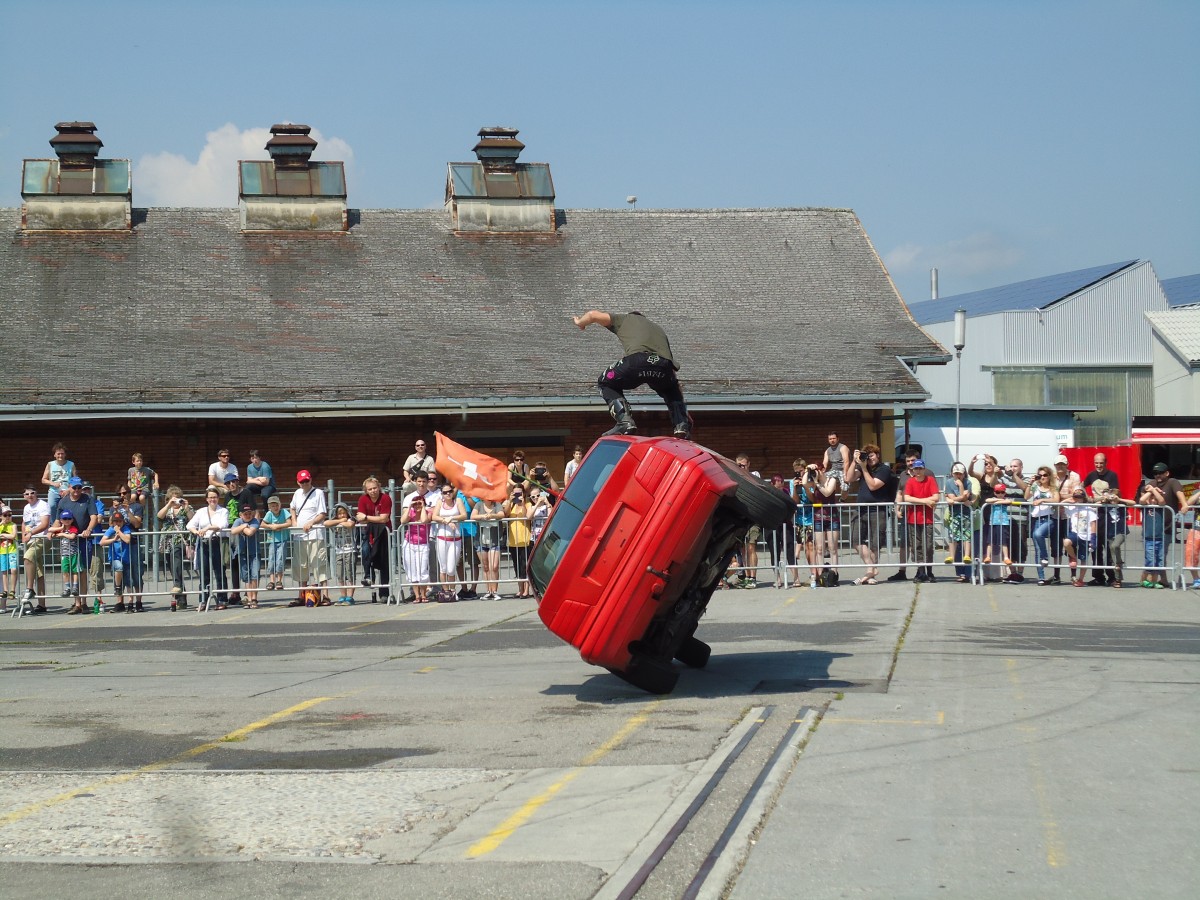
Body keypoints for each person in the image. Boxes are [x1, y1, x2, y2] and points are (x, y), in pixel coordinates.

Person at [572, 309, 691, 439]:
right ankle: (681, 425)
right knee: (670, 388)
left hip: (637, 362)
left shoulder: (625, 319)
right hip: (663, 366)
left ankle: (625, 421)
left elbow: (592, 315)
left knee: (605, 381)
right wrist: (683, 411)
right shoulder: (658, 329)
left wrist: (580, 322)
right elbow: (674, 378)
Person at [845, 443, 894, 586]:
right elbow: (848, 478)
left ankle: (871, 575)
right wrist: (855, 461)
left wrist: (864, 468)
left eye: (871, 455)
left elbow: (873, 485)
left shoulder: (884, 470)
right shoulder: (862, 466)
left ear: (878, 455)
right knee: (855, 540)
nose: (870, 458)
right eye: (867, 455)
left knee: (875, 544)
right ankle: (871, 568)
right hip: (861, 509)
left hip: (878, 510)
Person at [1138, 463, 1185, 589]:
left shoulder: (1173, 482)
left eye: (1160, 473)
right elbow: (1142, 499)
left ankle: (1161, 580)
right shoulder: (1152, 483)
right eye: (1155, 473)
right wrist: (1151, 490)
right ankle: (1148, 579)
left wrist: (1184, 504)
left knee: (1160, 555)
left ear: (1167, 473)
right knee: (1152, 556)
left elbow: (1179, 493)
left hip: (1167, 526)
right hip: (1150, 528)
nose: (1157, 475)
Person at [288, 469, 329, 606]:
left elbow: (322, 513)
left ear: (311, 480)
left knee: (318, 565)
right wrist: (294, 520)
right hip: (300, 535)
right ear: (298, 482)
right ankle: (302, 595)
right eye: (302, 481)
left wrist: (312, 523)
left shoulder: (318, 493)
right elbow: (292, 508)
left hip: (315, 535)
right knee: (301, 566)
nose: (305, 483)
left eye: (307, 481)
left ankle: (325, 596)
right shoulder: (297, 493)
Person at [57, 477, 99, 603]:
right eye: (74, 487)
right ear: (69, 487)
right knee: (70, 570)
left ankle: (84, 602)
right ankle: (77, 603)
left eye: (79, 487)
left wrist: (89, 530)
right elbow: (56, 520)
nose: (76, 490)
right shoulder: (63, 502)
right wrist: (52, 531)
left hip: (83, 540)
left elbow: (94, 517)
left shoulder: (88, 499)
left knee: (82, 571)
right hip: (69, 542)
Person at [188, 487, 229, 610]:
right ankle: (203, 600)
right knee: (204, 572)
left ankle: (222, 600)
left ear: (218, 498)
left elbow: (223, 525)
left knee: (219, 571)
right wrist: (197, 532)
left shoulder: (223, 511)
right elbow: (190, 525)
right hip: (203, 542)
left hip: (217, 542)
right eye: (210, 497)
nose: (213, 499)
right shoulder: (201, 511)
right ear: (207, 499)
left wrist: (207, 528)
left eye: (215, 497)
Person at [1082, 453, 1120, 584]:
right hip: (1095, 514)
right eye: (1096, 463)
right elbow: (1081, 487)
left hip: (1108, 515)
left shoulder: (1112, 475)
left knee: (1109, 546)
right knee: (1095, 546)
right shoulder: (1091, 475)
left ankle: (1112, 577)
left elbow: (1115, 492)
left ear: (1106, 463)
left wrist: (1105, 498)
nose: (1098, 466)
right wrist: (1088, 499)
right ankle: (1098, 576)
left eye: (1101, 463)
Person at [902, 459, 940, 583]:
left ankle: (929, 570)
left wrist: (918, 500)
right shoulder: (910, 481)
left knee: (928, 545)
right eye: (915, 469)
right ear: (912, 470)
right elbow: (906, 497)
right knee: (916, 546)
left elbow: (936, 497)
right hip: (913, 518)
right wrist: (925, 501)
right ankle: (920, 570)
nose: (918, 471)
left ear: (924, 469)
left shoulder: (930, 480)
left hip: (927, 518)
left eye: (920, 468)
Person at [356, 477, 393, 603]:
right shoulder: (363, 499)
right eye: (370, 489)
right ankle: (369, 577)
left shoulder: (385, 498)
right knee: (366, 553)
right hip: (369, 532)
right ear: (366, 490)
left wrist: (367, 517)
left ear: (379, 487)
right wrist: (370, 518)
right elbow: (360, 519)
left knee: (384, 563)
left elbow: (384, 519)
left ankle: (384, 593)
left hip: (384, 532)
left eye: (374, 488)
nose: (373, 491)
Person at [1091, 480, 1134, 589]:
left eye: (1114, 496)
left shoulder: (1121, 506)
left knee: (1115, 547)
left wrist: (1119, 499)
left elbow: (1132, 502)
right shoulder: (1105, 505)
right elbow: (1092, 503)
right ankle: (1118, 578)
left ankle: (1118, 565)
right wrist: (1103, 499)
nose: (1112, 499)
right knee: (1113, 555)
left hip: (1120, 532)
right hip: (1109, 533)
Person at [157, 486, 194, 610]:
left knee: (176, 557)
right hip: (167, 541)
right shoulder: (167, 509)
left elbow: (193, 519)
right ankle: (181, 599)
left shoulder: (185, 508)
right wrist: (169, 505)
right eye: (174, 499)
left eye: (178, 498)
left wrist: (186, 507)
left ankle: (177, 585)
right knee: (173, 568)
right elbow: (159, 517)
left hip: (181, 539)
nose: (176, 501)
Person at [888, 450, 921, 581]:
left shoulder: (926, 473)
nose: (910, 463)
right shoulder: (903, 474)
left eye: (912, 460)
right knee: (904, 543)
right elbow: (899, 493)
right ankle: (902, 571)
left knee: (919, 543)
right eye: (908, 461)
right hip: (906, 514)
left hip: (920, 514)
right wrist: (897, 508)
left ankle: (922, 570)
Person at [431, 483, 467, 596]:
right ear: (442, 494)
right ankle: (445, 590)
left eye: (449, 491)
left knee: (451, 568)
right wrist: (445, 520)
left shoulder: (458, 501)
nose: (448, 494)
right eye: (445, 492)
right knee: (443, 567)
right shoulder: (439, 503)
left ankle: (452, 590)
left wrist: (452, 518)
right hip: (442, 538)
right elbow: (434, 516)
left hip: (455, 539)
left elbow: (464, 515)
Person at [19, 486, 51, 613]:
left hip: (41, 538)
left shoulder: (43, 505)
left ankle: (29, 588)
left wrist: (31, 533)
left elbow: (44, 524)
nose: (30, 495)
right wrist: (23, 535)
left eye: (32, 493)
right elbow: (24, 523)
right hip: (30, 539)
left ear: (36, 494)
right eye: (27, 494)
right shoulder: (26, 508)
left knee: (28, 558)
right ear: (24, 496)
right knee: (39, 572)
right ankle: (42, 605)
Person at [942, 463, 975, 584]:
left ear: (964, 474)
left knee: (966, 535)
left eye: (960, 474)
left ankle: (967, 555)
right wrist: (952, 499)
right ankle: (951, 555)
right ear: (952, 473)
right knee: (953, 535)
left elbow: (964, 497)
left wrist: (961, 488)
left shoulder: (968, 482)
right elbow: (952, 496)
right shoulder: (949, 482)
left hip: (966, 513)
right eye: (956, 473)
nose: (958, 476)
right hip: (954, 513)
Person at [809, 462, 841, 585]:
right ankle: (821, 574)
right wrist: (808, 470)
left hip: (832, 517)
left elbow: (827, 492)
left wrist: (817, 482)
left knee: (833, 548)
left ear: (823, 470)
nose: (816, 472)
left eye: (818, 470)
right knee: (819, 548)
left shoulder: (831, 479)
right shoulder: (813, 480)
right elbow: (805, 483)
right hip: (818, 517)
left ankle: (834, 573)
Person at [1000, 458, 1031, 583]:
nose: (1013, 468)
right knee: (1009, 545)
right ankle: (1012, 572)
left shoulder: (1027, 479)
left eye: (1015, 466)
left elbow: (1025, 489)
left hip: (1021, 518)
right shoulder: (1004, 479)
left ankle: (1020, 572)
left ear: (1021, 467)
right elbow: (993, 485)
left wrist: (1013, 475)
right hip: (1007, 517)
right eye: (1011, 466)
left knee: (1021, 546)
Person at [734, 453, 763, 587]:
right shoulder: (735, 477)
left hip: (753, 517)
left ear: (748, 464)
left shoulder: (754, 475)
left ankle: (753, 578)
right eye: (738, 465)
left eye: (743, 465)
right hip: (741, 517)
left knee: (751, 546)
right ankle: (746, 575)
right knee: (743, 548)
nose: (740, 467)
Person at [1028, 466, 1060, 585]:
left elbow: (1056, 500)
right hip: (1036, 518)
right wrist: (1029, 484)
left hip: (1048, 518)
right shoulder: (1035, 486)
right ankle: (1041, 577)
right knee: (1037, 549)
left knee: (1038, 534)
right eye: (1040, 475)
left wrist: (1042, 500)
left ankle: (1045, 556)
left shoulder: (1053, 488)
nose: (1042, 477)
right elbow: (1026, 496)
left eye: (1045, 475)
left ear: (1049, 476)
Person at [791, 459, 818, 590]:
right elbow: (794, 501)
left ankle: (814, 573)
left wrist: (805, 486)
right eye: (796, 472)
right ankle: (811, 571)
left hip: (811, 518)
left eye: (801, 471)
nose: (799, 474)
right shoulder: (793, 482)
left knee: (810, 546)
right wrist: (796, 488)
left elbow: (813, 499)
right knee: (803, 547)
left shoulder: (810, 480)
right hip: (799, 520)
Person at [1061, 487, 1098, 587]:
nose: (1077, 499)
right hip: (1075, 533)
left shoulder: (1089, 509)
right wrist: (1069, 499)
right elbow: (1060, 505)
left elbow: (1093, 524)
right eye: (1076, 497)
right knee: (1066, 542)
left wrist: (1093, 539)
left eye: (1079, 497)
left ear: (1084, 498)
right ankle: (1073, 557)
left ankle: (1081, 579)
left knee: (1084, 559)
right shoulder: (1072, 508)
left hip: (1086, 535)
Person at [100, 509, 134, 612]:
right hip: (115, 558)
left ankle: (130, 603)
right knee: (118, 567)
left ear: (123, 521)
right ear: (113, 522)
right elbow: (102, 542)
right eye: (116, 521)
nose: (118, 523)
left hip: (126, 558)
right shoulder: (111, 529)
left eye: (119, 521)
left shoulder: (126, 529)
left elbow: (127, 540)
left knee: (129, 582)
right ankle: (118, 588)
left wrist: (119, 531)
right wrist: (113, 539)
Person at [472, 496, 506, 600]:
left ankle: (494, 591)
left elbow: (502, 514)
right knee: (485, 566)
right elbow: (473, 516)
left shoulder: (497, 505)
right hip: (481, 540)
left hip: (495, 540)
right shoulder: (478, 505)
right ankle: (488, 590)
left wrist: (492, 515)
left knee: (494, 566)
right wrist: (483, 516)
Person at [767, 474, 798, 587]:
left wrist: (793, 489)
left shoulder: (786, 491)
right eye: (777, 487)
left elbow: (794, 503)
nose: (780, 489)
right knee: (774, 552)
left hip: (786, 524)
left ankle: (796, 578)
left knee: (789, 549)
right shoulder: (767, 492)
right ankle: (777, 578)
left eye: (781, 487)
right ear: (772, 484)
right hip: (771, 525)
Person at [324, 502, 357, 605]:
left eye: (344, 513)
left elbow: (350, 524)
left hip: (350, 550)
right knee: (340, 574)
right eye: (339, 513)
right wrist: (339, 521)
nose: (342, 515)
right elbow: (326, 523)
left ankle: (350, 596)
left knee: (350, 573)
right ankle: (343, 595)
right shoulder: (336, 521)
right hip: (339, 551)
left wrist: (341, 522)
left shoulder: (351, 519)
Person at [230, 503, 263, 608]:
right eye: (245, 514)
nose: (248, 515)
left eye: (249, 513)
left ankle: (254, 598)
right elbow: (233, 531)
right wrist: (243, 526)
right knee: (246, 577)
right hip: (242, 552)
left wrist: (241, 528)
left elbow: (250, 532)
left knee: (254, 575)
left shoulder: (255, 521)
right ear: (240, 514)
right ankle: (249, 599)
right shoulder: (238, 521)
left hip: (254, 552)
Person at [504, 486, 533, 598]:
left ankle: (526, 590)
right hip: (513, 540)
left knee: (524, 566)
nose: (517, 495)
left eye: (519, 493)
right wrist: (510, 501)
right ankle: (520, 589)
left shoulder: (528, 504)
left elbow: (527, 515)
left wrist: (523, 501)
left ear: (523, 493)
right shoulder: (511, 504)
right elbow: (505, 514)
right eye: (515, 493)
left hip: (525, 539)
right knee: (517, 566)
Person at [402, 494, 432, 602]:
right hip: (410, 544)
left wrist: (423, 507)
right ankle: (417, 595)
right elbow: (403, 521)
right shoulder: (411, 512)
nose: (417, 505)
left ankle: (423, 594)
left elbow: (424, 520)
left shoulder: (428, 512)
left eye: (420, 503)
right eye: (416, 503)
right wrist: (410, 507)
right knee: (412, 570)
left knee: (422, 569)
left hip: (423, 544)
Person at [49, 511, 83, 604]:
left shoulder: (73, 528)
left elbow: (72, 536)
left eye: (69, 519)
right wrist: (60, 528)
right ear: (61, 520)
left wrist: (63, 534)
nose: (67, 520)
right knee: (65, 571)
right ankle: (67, 587)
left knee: (75, 570)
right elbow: (50, 530)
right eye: (64, 519)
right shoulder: (60, 529)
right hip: (64, 554)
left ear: (72, 520)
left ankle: (75, 586)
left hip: (74, 553)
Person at [982, 481, 1013, 581]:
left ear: (1004, 493)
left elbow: (1009, 502)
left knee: (1003, 541)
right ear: (995, 492)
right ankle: (987, 556)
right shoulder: (993, 499)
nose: (1000, 494)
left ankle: (1006, 557)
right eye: (998, 492)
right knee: (990, 541)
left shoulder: (1005, 499)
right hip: (993, 522)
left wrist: (999, 501)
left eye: (1002, 492)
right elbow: (987, 500)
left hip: (1003, 523)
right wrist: (996, 500)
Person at [261, 495, 291, 592]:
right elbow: (262, 524)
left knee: (280, 559)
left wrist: (279, 526)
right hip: (272, 540)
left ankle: (279, 580)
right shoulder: (269, 514)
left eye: (276, 505)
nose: (275, 507)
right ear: (270, 507)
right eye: (273, 506)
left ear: (280, 504)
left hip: (282, 540)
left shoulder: (284, 512)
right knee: (271, 560)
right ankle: (272, 581)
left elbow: (289, 523)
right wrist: (271, 526)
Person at [41, 442, 76, 521]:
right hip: (54, 491)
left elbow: (75, 480)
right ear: (54, 455)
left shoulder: (71, 464)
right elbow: (43, 479)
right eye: (58, 454)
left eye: (62, 454)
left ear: (65, 454)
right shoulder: (50, 464)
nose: (60, 456)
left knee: (68, 509)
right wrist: (53, 483)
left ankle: (68, 526)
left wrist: (69, 490)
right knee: (52, 506)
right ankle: (54, 525)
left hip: (67, 491)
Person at [0, 505, 17, 611]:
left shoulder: (13, 525)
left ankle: (12, 590)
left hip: (12, 550)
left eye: (9, 515)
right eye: (5, 515)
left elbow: (13, 536)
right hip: (2, 552)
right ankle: (5, 590)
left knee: (13, 569)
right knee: (4, 571)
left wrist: (4, 536)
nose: (7, 517)